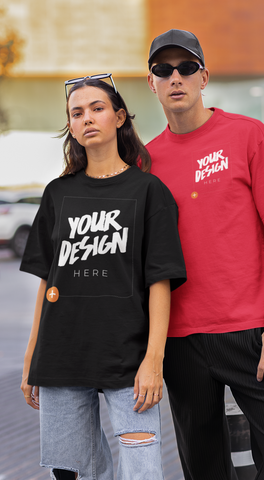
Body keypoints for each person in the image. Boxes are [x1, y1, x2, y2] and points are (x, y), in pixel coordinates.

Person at [146, 29, 264, 480]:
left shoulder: (248, 136)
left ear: (204, 77)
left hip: (253, 333)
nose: (175, 77)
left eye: (186, 67)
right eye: (164, 69)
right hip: (181, 338)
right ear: (151, 83)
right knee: (204, 466)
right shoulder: (147, 162)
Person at [20, 73, 186, 480]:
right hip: (62, 356)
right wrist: (31, 357)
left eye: (97, 108)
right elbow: (47, 279)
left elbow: (160, 281)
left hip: (128, 360)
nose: (87, 118)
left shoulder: (149, 191)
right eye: (77, 113)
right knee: (75, 472)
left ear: (119, 117)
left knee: (142, 471)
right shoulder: (57, 194)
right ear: (71, 127)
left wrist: (154, 359)